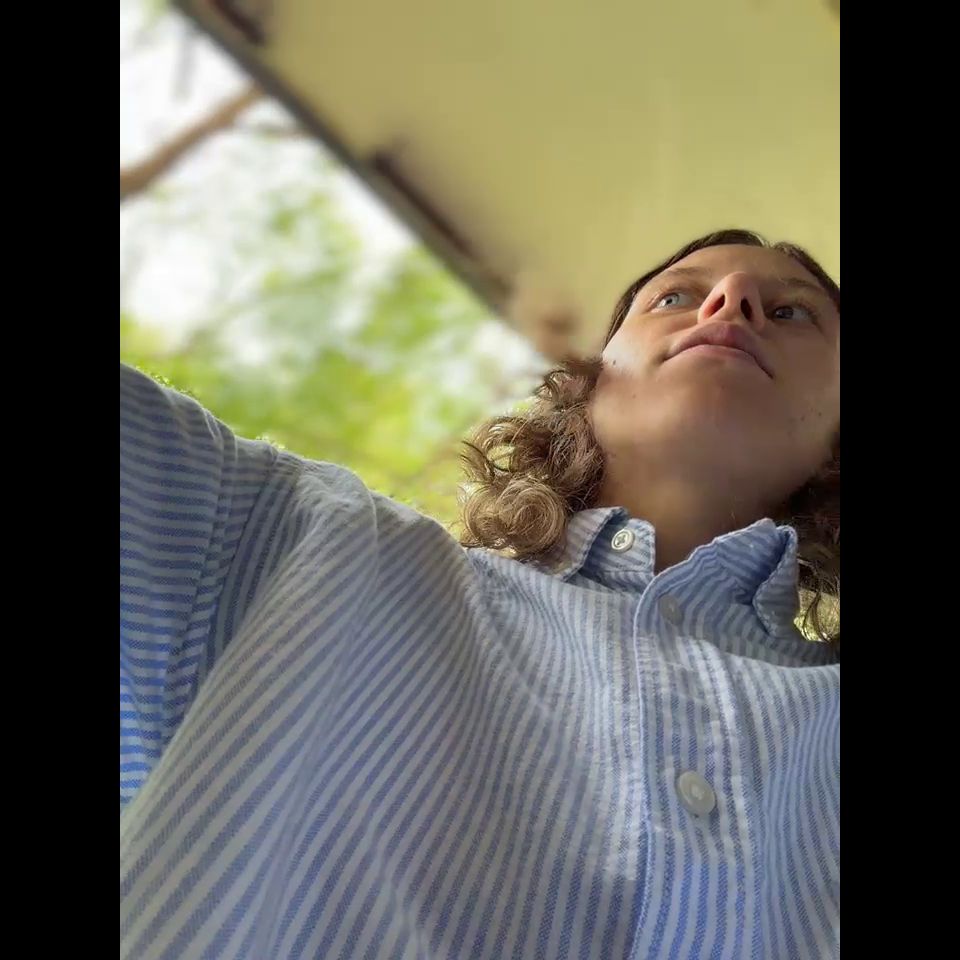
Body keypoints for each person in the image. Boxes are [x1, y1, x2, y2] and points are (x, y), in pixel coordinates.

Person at [120, 228, 840, 960]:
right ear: (588, 383)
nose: (731, 300)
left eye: (792, 312)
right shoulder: (301, 545)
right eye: (676, 297)